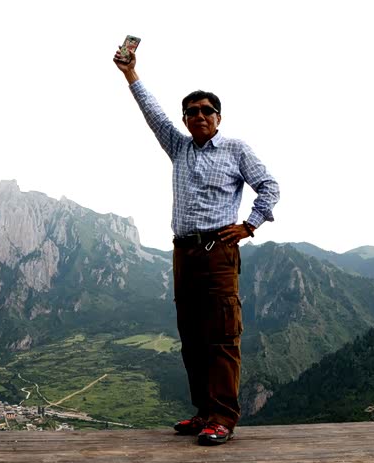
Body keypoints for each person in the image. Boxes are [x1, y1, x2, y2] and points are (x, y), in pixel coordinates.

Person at [113, 46, 279, 445]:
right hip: (183, 253)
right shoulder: (179, 147)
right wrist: (130, 74)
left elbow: (269, 187)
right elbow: (153, 113)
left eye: (206, 110)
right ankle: (204, 412)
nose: (199, 115)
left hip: (218, 253)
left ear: (218, 117)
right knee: (191, 336)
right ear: (185, 119)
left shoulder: (236, 149)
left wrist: (249, 225)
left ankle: (222, 417)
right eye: (191, 111)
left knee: (222, 335)